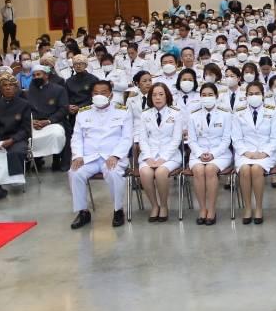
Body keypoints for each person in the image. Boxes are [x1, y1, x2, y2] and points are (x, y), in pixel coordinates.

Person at [67, 78, 132, 229]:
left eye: (103, 92)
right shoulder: (83, 113)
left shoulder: (122, 111)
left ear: (110, 94)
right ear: (91, 95)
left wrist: (116, 155)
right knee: (74, 173)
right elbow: (76, 137)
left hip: (112, 157)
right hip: (89, 157)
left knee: (114, 174)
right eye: (96, 93)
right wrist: (77, 156)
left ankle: (118, 210)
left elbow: (127, 137)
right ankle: (83, 212)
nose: (99, 95)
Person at [186, 81, 233, 225]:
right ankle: (202, 209)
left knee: (211, 169)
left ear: (217, 96)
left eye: (210, 95)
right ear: (200, 97)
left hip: (221, 153)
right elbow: (191, 141)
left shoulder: (225, 115)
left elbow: (226, 140)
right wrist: (200, 153)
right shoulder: (193, 115)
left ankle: (211, 209)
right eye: (204, 95)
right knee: (199, 170)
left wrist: (213, 154)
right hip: (197, 153)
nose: (207, 97)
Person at [233, 81, 276, 224]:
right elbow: (236, 137)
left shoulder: (272, 111)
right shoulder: (239, 111)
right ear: (246, 96)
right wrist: (246, 152)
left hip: (266, 153)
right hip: (244, 153)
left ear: (263, 95)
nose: (254, 96)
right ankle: (248, 208)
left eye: (257, 93)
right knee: (246, 170)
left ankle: (258, 208)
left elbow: (275, 137)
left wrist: (264, 153)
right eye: (250, 94)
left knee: (257, 169)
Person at [134, 81, 182, 222]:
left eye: (161, 94)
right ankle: (154, 205)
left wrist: (164, 158)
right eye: (154, 95)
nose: (158, 98)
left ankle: (164, 206)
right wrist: (148, 157)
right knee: (145, 172)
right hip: (149, 154)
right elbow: (142, 138)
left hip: (170, 155)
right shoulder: (145, 114)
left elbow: (176, 139)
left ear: (167, 96)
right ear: (150, 97)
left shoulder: (176, 113)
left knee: (161, 172)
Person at [0, 73, 32, 201]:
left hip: (18, 138)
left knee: (15, 152)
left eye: (11, 85)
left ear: (16, 88)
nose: (8, 88)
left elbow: (26, 129)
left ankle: (13, 181)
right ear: (0, 88)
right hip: (0, 138)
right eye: (5, 85)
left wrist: (12, 140)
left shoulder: (24, 104)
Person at [25, 63, 69, 169]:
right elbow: (25, 109)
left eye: (38, 74)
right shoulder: (28, 91)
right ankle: (36, 159)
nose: (36, 77)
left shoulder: (59, 89)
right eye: (34, 75)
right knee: (26, 136)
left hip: (53, 122)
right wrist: (31, 121)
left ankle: (57, 157)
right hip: (34, 123)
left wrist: (48, 121)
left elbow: (63, 109)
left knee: (56, 134)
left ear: (46, 75)